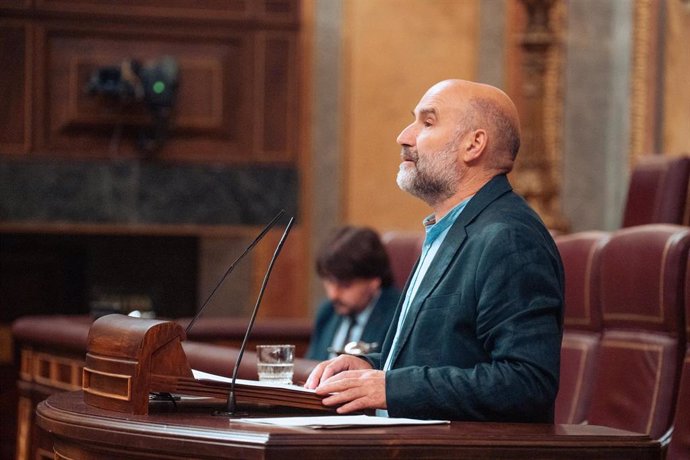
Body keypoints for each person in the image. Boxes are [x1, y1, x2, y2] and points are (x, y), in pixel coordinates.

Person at [305, 79, 565, 423]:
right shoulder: (450, 229)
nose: (404, 136)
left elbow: (527, 382)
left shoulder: (510, 238)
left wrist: (390, 388)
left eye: (427, 122)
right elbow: (448, 357)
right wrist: (371, 367)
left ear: (474, 145)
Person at [305, 226, 400, 361]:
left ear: (373, 280)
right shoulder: (327, 312)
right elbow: (311, 365)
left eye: (345, 285)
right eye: (329, 282)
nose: (333, 295)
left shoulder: (398, 315)